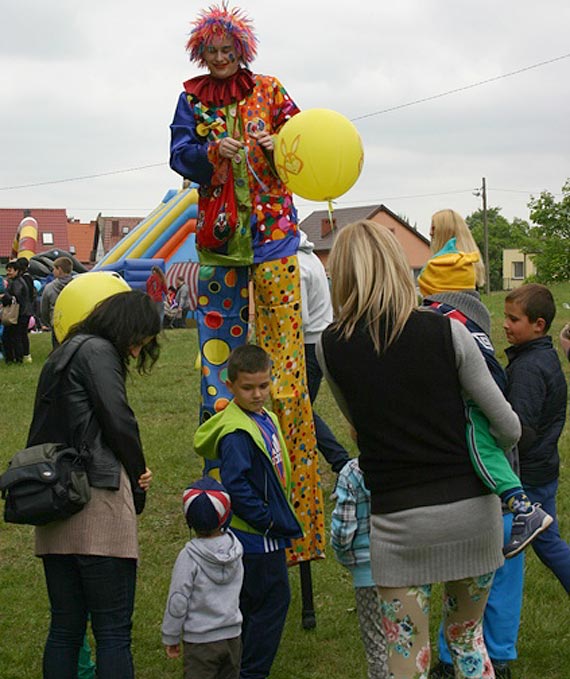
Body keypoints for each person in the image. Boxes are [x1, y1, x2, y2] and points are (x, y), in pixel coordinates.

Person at [318, 220, 521, 679]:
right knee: (468, 640)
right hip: (472, 516)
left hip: (398, 523)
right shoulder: (447, 332)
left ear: (343, 276)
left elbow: (356, 426)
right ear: (397, 267)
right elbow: (509, 428)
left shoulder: (331, 347)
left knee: (407, 656)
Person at [170, 2, 323, 573]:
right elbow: (178, 155)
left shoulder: (272, 89)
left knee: (286, 371)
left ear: (242, 52)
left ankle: (298, 520)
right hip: (220, 243)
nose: (217, 60)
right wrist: (211, 153)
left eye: (226, 52)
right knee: (219, 366)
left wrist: (270, 146)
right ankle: (221, 512)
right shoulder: (190, 99)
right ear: (199, 54)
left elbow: (302, 143)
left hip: (277, 238)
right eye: (209, 53)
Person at [419, 210, 530, 679]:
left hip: (466, 462)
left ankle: (453, 656)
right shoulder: (479, 313)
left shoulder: (435, 323)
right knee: (498, 569)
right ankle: (496, 654)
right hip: (500, 465)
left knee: (458, 568)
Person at [26, 289, 160, 679]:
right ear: (126, 330)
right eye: (139, 342)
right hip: (96, 504)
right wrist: (137, 477)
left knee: (65, 629)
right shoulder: (99, 352)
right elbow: (119, 420)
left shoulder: (63, 352)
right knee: (113, 631)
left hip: (56, 504)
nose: (137, 352)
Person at [194, 344, 303, 679]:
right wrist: (267, 519)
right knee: (271, 604)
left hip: (261, 533)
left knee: (250, 606)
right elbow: (236, 485)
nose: (258, 394)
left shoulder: (264, 418)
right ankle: (251, 672)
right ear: (230, 385)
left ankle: (236, 667)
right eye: (248, 387)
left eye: (264, 386)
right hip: (258, 538)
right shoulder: (236, 433)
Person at [503, 283, 569, 593]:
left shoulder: (528, 368)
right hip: (544, 468)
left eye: (514, 319)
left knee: (539, 543)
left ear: (538, 325)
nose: (505, 325)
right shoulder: (544, 356)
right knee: (548, 540)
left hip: (528, 475)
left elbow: (520, 430)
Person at [162, 476, 244, 679]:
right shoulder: (236, 550)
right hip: (233, 636)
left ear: (188, 521)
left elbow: (178, 600)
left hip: (200, 641)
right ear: (226, 517)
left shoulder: (188, 556)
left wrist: (171, 635)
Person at [330, 457, 389, 679]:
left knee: (376, 643)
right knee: (405, 637)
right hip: (405, 566)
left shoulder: (352, 472)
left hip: (368, 573)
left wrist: (340, 551)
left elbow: (344, 530)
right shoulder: (404, 461)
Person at [298, 230, 350, 474]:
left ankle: (341, 462)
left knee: (301, 411)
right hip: (321, 338)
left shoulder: (296, 265)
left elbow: (301, 318)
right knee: (302, 410)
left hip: (308, 345)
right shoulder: (311, 257)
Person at [1, 259, 33, 364]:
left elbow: (15, 298)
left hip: (19, 314)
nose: (8, 273)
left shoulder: (17, 283)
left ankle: (14, 359)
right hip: (24, 313)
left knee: (13, 336)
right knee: (17, 336)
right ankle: (17, 358)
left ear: (16, 271)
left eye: (10, 270)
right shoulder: (18, 281)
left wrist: (4, 297)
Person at [40, 256, 74, 349]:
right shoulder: (77, 285)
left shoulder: (49, 288)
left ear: (59, 269)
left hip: (57, 322)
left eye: (54, 269)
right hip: (74, 321)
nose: (53, 271)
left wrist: (48, 322)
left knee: (57, 349)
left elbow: (44, 309)